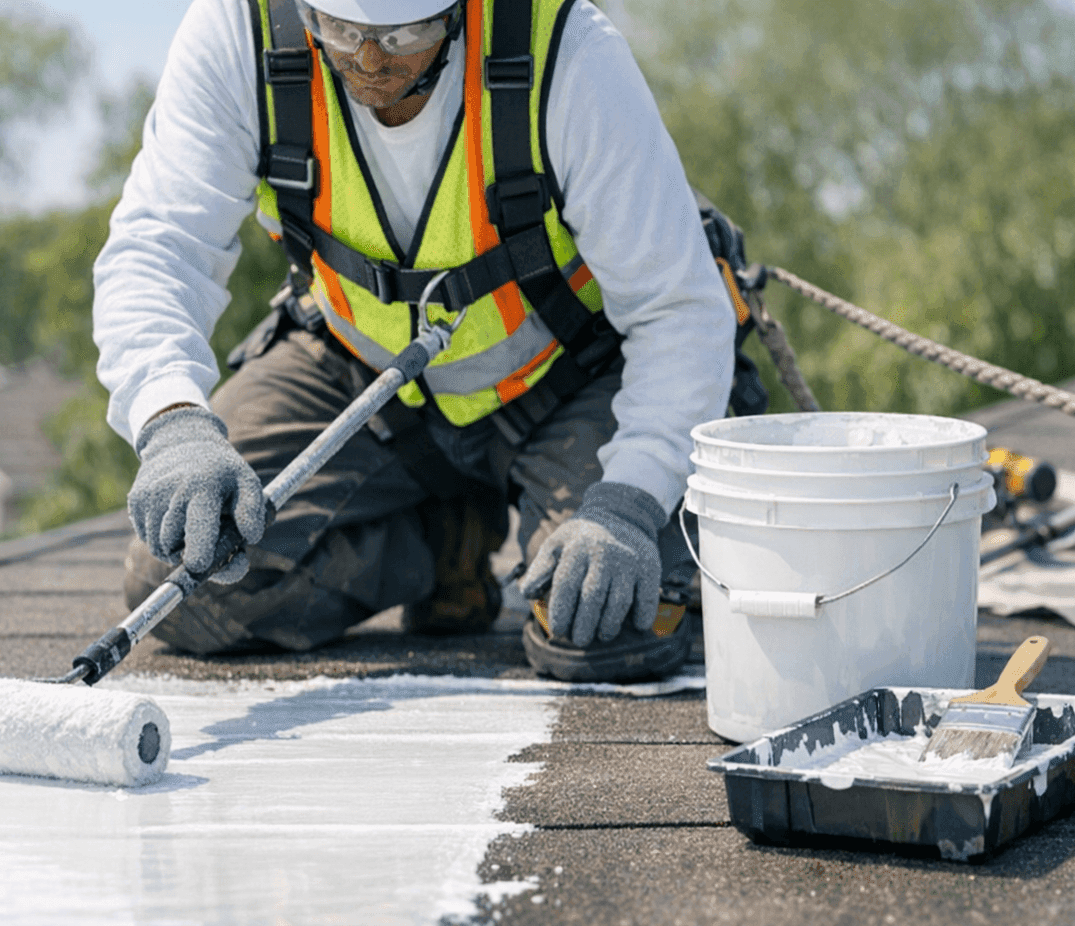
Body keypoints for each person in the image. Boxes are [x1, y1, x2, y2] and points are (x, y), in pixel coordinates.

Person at [93, 0, 737, 681]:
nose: (369, 60)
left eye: (404, 35)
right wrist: (173, 424)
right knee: (189, 579)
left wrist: (629, 505)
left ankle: (578, 530)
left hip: (569, 381)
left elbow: (678, 309)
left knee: (598, 623)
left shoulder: (568, 53)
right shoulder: (239, 32)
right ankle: (443, 538)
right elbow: (159, 249)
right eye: (339, 32)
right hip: (359, 371)